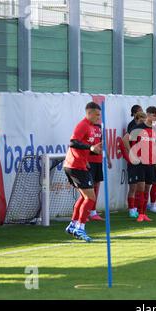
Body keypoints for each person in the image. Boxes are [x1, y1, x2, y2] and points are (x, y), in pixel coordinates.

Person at [64, 102, 103, 242]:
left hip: (80, 165)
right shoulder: (83, 125)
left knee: (84, 196)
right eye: (97, 115)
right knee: (90, 198)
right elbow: (73, 142)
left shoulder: (92, 127)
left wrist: (93, 151)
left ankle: (73, 225)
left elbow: (85, 148)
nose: (99, 118)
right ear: (89, 113)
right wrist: (91, 148)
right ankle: (80, 228)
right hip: (75, 165)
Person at [128, 106, 156, 222]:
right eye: (153, 115)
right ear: (147, 115)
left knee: (147, 188)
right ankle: (139, 213)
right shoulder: (138, 128)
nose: (155, 117)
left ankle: (144, 213)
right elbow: (130, 143)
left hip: (150, 163)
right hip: (140, 163)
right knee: (140, 188)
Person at [122, 110, 146, 218]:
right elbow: (124, 139)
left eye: (144, 120)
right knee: (133, 187)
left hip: (142, 162)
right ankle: (131, 209)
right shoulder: (134, 129)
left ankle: (139, 209)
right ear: (137, 119)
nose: (143, 121)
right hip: (133, 162)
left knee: (141, 187)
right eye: (141, 119)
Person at [87, 120, 112, 222]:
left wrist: (108, 159)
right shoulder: (85, 127)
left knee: (96, 186)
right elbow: (81, 146)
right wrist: (84, 160)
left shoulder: (100, 127)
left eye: (98, 114)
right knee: (88, 187)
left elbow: (103, 145)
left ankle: (93, 212)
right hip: (89, 161)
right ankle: (84, 212)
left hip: (98, 161)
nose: (97, 117)